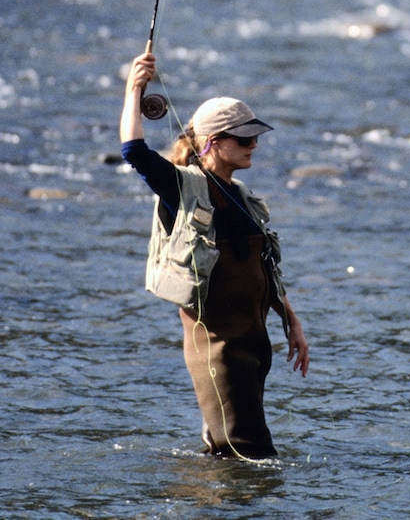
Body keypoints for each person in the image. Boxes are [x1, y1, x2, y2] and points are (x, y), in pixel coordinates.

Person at [119, 51, 309, 459]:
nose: (253, 145)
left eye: (255, 136)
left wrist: (292, 322)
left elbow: (265, 269)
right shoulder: (181, 188)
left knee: (225, 454)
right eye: (244, 138)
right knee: (250, 455)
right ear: (213, 143)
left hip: (254, 344)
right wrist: (134, 90)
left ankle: (206, 497)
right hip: (218, 349)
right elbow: (134, 150)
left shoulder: (243, 197)